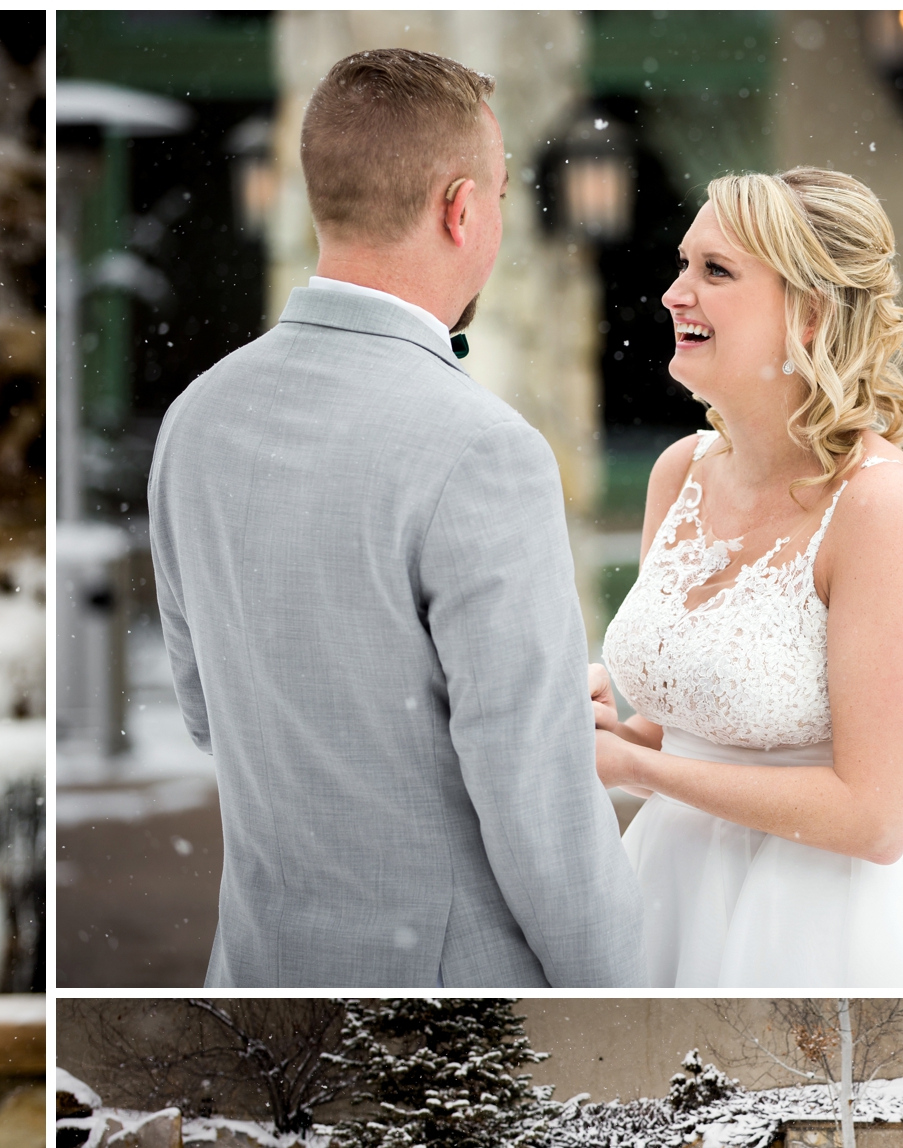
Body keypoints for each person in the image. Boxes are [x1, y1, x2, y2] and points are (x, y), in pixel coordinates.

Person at [147, 47, 642, 988]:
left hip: (257, 980)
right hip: (455, 1008)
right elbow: (537, 809)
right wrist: (626, 1002)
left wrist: (490, 713)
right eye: (500, 191)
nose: (500, 214)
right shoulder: (485, 450)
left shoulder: (195, 418)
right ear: (461, 208)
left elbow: (216, 713)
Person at [593, 168, 903, 987]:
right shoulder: (678, 473)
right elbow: (699, 726)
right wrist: (605, 733)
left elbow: (877, 816)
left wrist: (639, 770)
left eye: (715, 272)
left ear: (812, 313)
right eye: (684, 265)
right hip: (669, 889)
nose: (674, 293)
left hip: (824, 919)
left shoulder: (885, 511)